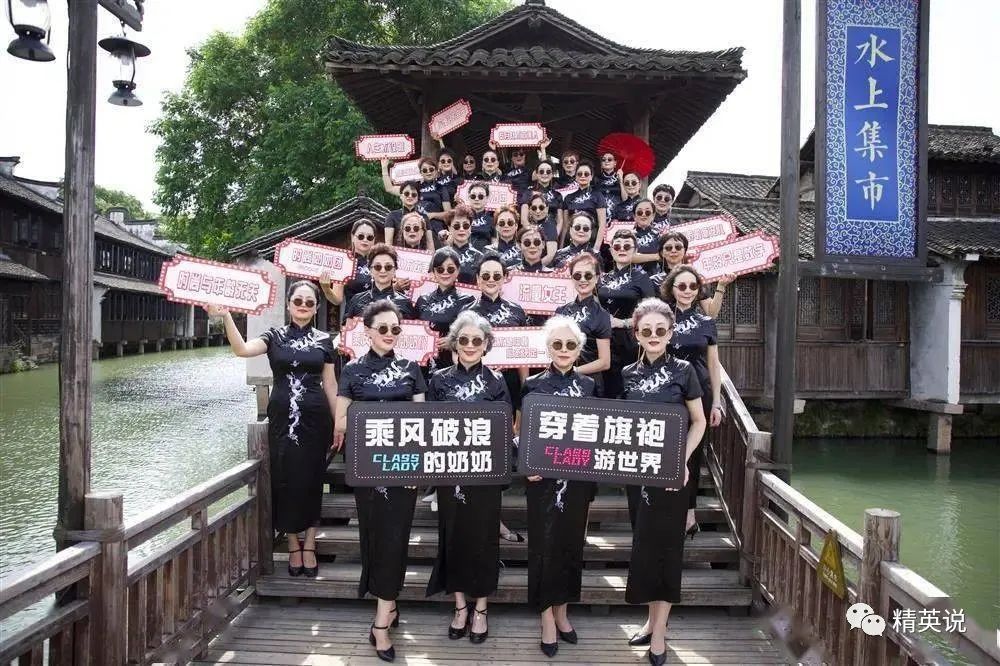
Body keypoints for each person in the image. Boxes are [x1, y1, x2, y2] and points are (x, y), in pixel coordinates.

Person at [208, 282, 336, 580]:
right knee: (284, 478)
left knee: (313, 479)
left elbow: (330, 384)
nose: (303, 306)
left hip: (316, 420)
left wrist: (339, 422)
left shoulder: (324, 340)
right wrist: (226, 316)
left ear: (317, 307)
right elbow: (241, 350)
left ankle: (310, 543)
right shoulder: (274, 336)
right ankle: (292, 543)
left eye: (309, 302)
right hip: (282, 419)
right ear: (288, 304)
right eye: (298, 301)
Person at [335, 300, 428, 663]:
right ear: (368, 331)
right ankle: (388, 603)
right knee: (374, 537)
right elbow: (341, 421)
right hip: (367, 467)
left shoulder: (411, 368)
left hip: (403, 466)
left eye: (395, 329)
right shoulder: (352, 370)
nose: (390, 334)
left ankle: (380, 623)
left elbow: (421, 422)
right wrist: (385, 418)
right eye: (383, 328)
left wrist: (417, 466)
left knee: (396, 537)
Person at [620, 298, 706, 666]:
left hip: (672, 474)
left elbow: (699, 421)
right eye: (646, 331)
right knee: (644, 545)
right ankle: (650, 620)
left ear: (670, 334)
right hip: (637, 474)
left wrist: (681, 460)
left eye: (660, 330)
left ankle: (659, 633)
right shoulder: (627, 373)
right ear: (637, 334)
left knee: (668, 549)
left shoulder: (684, 371)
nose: (653, 336)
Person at [426, 311, 511, 644]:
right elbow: (429, 428)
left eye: (477, 340)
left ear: (486, 344)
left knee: (484, 540)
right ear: (454, 343)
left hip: (485, 475)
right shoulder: (439, 380)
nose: (471, 345)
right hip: (449, 473)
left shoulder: (497, 381)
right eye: (464, 339)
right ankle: (460, 606)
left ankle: (481, 609)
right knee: (453, 536)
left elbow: (504, 429)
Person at [521, 315, 597, 659]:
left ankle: (563, 612)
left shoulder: (590, 386)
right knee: (543, 546)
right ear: (547, 348)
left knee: (570, 544)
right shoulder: (532, 385)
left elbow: (597, 434)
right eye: (557, 344)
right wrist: (527, 466)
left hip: (577, 478)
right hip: (542, 479)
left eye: (570, 344)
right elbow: (521, 432)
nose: (563, 350)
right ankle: (546, 618)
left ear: (579, 349)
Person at [660, 265, 723, 536]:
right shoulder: (661, 318)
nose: (687, 291)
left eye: (693, 286)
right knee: (665, 449)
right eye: (682, 286)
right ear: (671, 289)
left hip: (699, 393)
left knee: (693, 453)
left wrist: (717, 401)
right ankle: (663, 506)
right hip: (667, 391)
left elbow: (713, 363)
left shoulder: (706, 322)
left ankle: (689, 512)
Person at [599, 228, 656, 399]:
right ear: (611, 250)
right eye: (617, 246)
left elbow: (651, 312)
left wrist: (622, 322)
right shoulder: (603, 278)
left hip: (630, 341)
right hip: (603, 341)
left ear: (635, 250)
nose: (621, 249)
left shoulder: (642, 277)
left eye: (627, 246)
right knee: (605, 390)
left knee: (627, 388)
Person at [554, 252, 612, 396]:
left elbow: (605, 362)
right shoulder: (561, 311)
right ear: (571, 278)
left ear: (597, 278)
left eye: (588, 275)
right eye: (577, 276)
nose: (583, 280)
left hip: (589, 385)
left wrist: (573, 371)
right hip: (560, 382)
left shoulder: (602, 315)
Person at [415, 247, 477, 371]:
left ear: (458, 270)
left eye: (450, 269)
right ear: (433, 272)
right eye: (440, 269)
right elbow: (413, 332)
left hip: (453, 365)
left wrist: (454, 341)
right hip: (423, 365)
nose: (445, 273)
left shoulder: (468, 300)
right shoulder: (422, 300)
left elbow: (474, 334)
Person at [650, 231, 734, 318]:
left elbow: (711, 313)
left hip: (690, 325)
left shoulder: (696, 278)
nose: (673, 250)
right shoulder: (653, 281)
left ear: (684, 251)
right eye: (668, 248)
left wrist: (721, 286)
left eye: (678, 247)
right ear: (662, 253)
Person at [319, 219, 376, 324]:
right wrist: (326, 289)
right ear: (352, 237)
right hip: (353, 320)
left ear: (374, 240)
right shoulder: (344, 262)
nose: (365, 240)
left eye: (369, 237)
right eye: (361, 236)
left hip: (378, 321)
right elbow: (337, 299)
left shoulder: (382, 262)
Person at [343, 243, 417, 321]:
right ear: (370, 270)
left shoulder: (405, 302)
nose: (383, 271)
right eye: (377, 267)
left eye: (388, 267)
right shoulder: (357, 300)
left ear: (395, 270)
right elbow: (346, 327)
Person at [561, 161, 606, 252]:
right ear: (576, 177)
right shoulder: (568, 198)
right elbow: (566, 225)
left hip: (591, 240)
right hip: (572, 241)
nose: (583, 176)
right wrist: (561, 246)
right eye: (579, 174)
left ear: (591, 177)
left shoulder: (598, 196)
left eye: (586, 174)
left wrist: (596, 248)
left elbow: (602, 224)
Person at [444, 205, 485, 285]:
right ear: (449, 228)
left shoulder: (479, 256)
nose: (461, 229)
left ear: (470, 227)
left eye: (466, 225)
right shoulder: (441, 254)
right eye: (457, 226)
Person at [383, 182, 431, 248]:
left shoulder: (424, 217)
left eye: (414, 194)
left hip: (420, 253)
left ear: (418, 198)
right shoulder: (392, 216)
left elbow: (430, 243)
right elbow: (388, 243)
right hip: (398, 253)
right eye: (406, 193)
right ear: (401, 196)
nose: (410, 196)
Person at [523, 192, 560, 263]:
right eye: (534, 208)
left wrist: (535, 267)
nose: (538, 211)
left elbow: (551, 255)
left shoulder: (550, 225)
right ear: (529, 210)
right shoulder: (530, 224)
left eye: (541, 208)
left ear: (547, 209)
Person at [629, 198, 664, 274]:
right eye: (640, 212)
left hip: (655, 276)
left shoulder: (660, 235)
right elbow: (629, 257)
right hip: (633, 277)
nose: (644, 215)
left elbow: (664, 256)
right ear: (634, 216)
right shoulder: (628, 236)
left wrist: (639, 257)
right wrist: (656, 256)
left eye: (647, 212)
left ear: (653, 215)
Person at [465, 182, 496, 251]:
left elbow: (495, 243)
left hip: (485, 254)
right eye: (473, 196)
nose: (476, 199)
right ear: (469, 198)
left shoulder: (492, 220)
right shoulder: (462, 217)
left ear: (487, 198)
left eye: (481, 196)